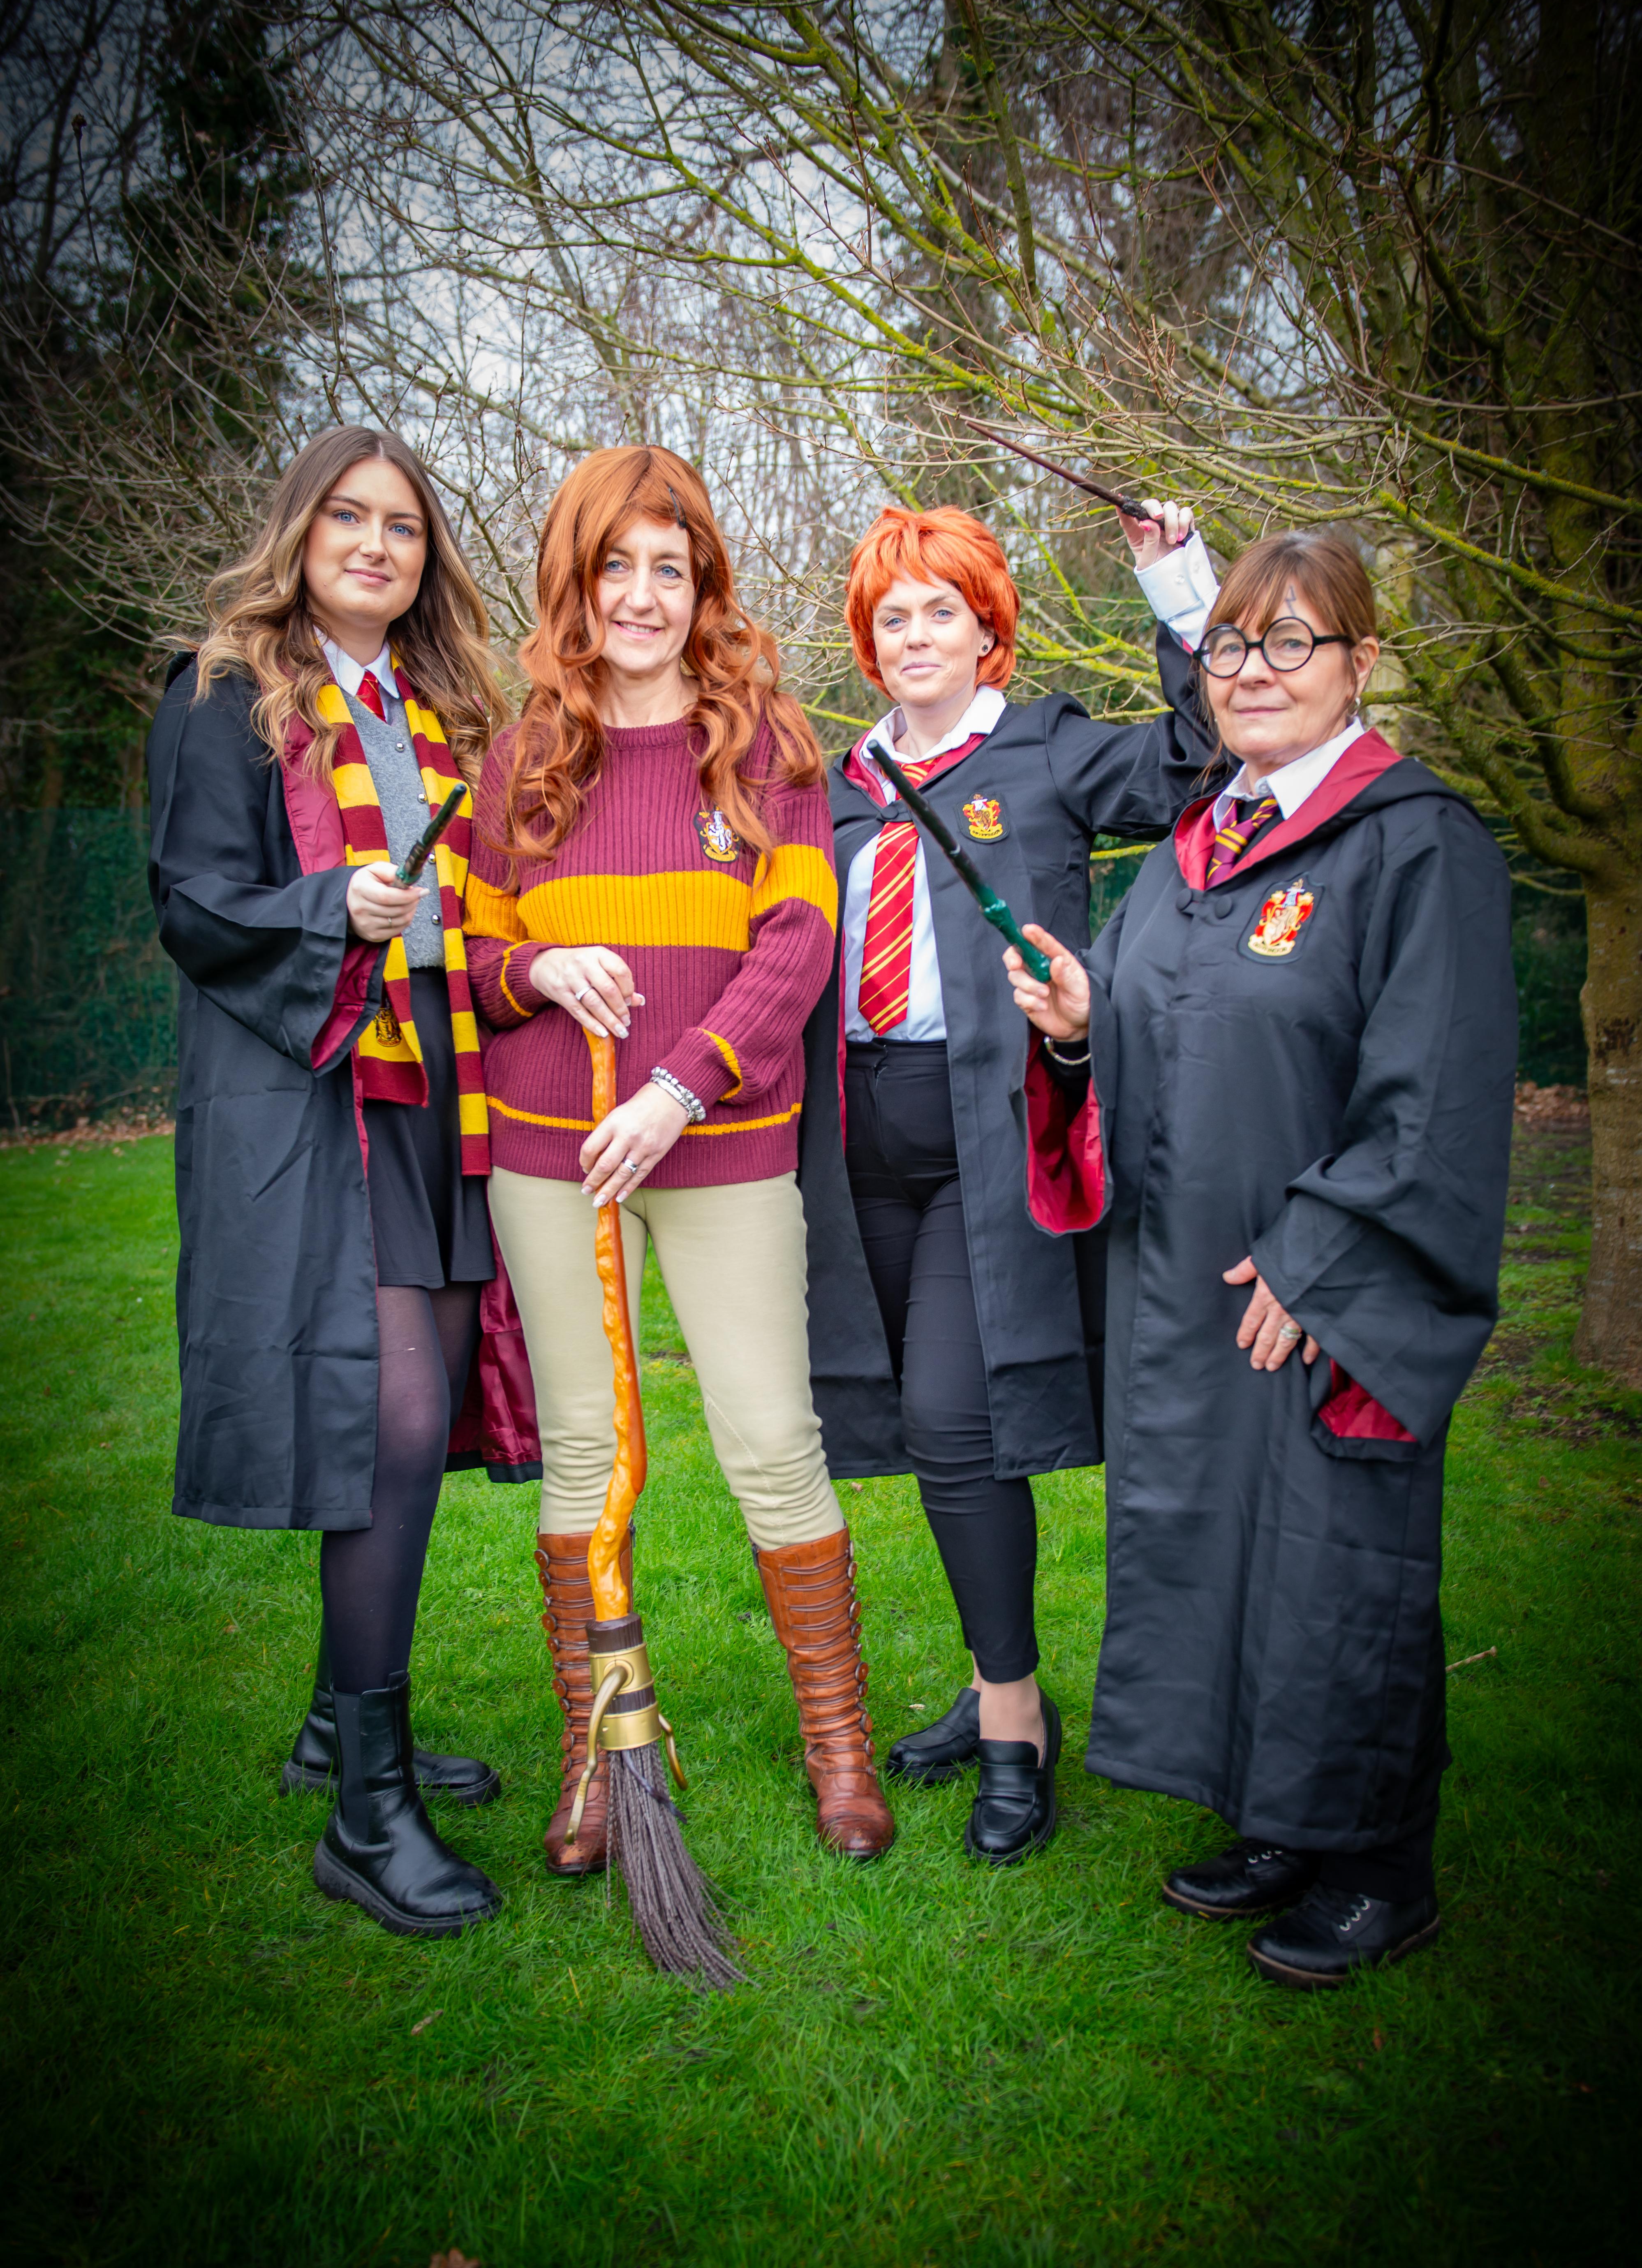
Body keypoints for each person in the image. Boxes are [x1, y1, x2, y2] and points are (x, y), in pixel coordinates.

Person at [1006, 528, 1515, 1985]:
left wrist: (1318, 1255)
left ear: (1360, 663)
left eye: (1292, 641)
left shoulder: (1413, 844)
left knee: (1336, 1565)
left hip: (1320, 1290)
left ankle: (1378, 1864)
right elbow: (1155, 1041)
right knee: (1228, 1556)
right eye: (1230, 644)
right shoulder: (1192, 853)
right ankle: (1277, 1819)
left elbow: (1436, 1086)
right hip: (1191, 1288)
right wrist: (1078, 1031)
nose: (1251, 671)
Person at [463, 444, 895, 1876]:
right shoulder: (521, 759)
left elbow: (799, 944)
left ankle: (838, 1745)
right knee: (586, 1453)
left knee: (771, 1441)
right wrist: (537, 966)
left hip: (718, 1148)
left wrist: (677, 1083)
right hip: (550, 1154)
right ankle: (602, 1752)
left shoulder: (766, 747)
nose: (643, 596)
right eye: (617, 567)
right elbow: (471, 956)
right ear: (574, 584)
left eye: (672, 567)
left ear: (703, 586)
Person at [148, 424, 537, 1939]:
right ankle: (369, 1821)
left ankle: (339, 1724)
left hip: (442, 1084)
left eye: (404, 527)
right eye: (349, 518)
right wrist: (337, 908)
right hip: (319, 1088)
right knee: (389, 1423)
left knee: (418, 1427)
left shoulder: (443, 708)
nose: (377, 546)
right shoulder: (227, 692)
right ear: (299, 531)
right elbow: (196, 900)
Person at [796, 499, 1224, 1865]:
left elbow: (1201, 754)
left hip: (982, 1136)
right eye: (893, 616)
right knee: (937, 1436)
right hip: (853, 1146)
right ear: (867, 642)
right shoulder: (830, 785)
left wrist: (1179, 585)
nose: (916, 634)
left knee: (951, 1417)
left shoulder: (1043, 751)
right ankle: (995, 1685)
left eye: (945, 610)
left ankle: (1014, 1722)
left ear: (989, 633)